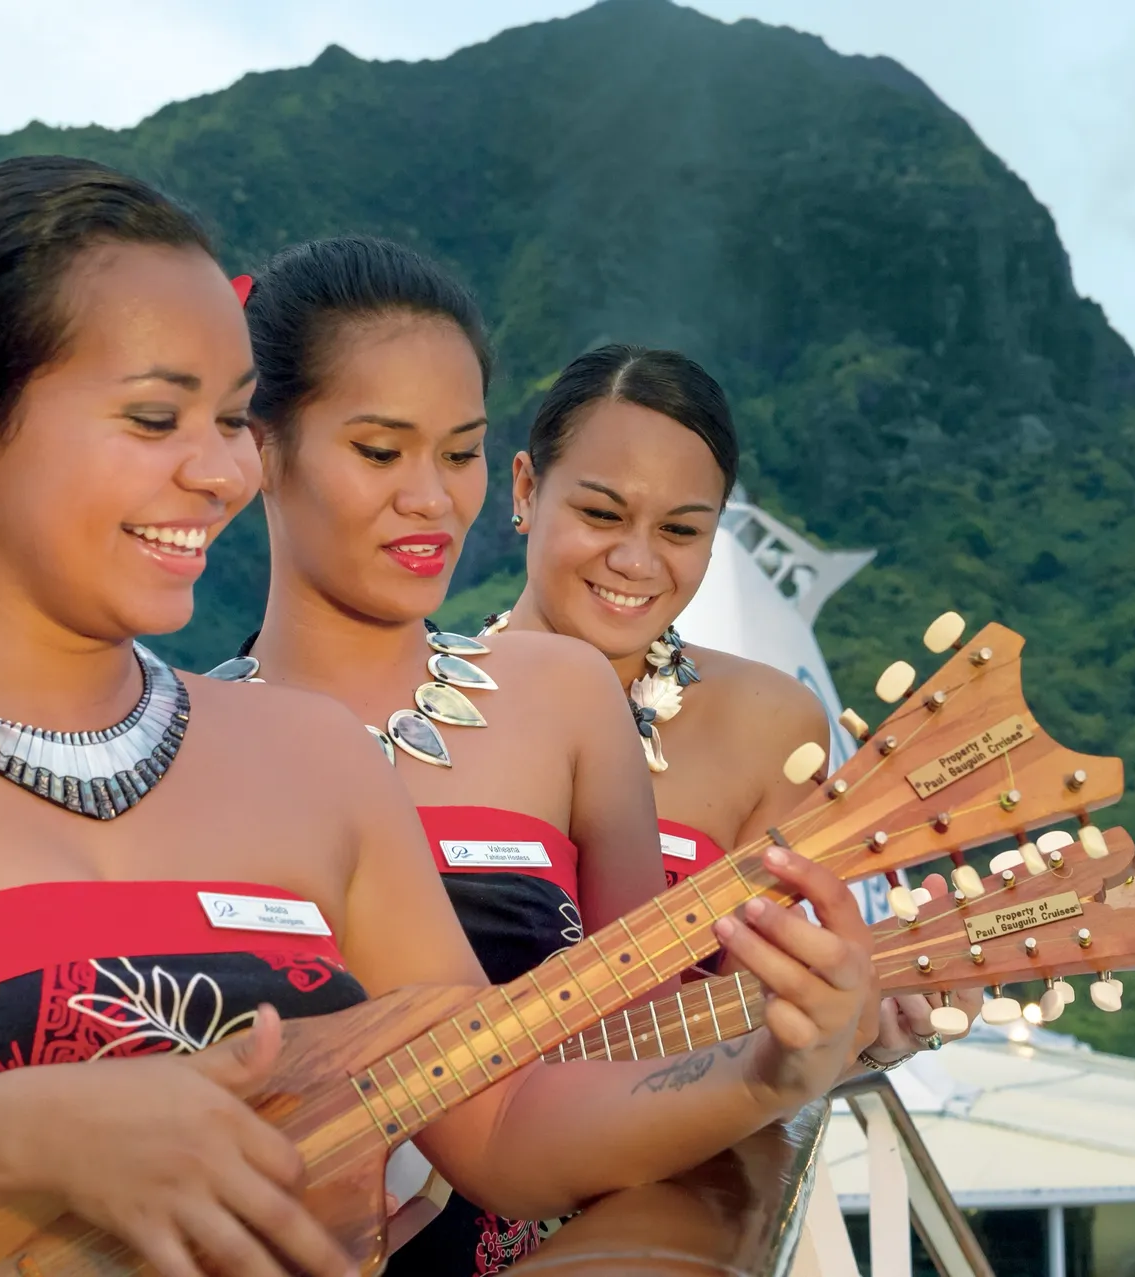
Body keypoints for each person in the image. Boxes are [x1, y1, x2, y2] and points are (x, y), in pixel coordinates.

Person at [0, 160, 878, 1277]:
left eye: (233, 419)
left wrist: (768, 1063)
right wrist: (16, 1136)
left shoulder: (307, 757)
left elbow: (505, 1122)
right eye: (156, 416)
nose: (220, 468)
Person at [224, 238, 861, 1273]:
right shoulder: (185, 733)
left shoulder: (565, 699)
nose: (431, 498)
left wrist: (789, 1053)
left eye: (457, 450)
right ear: (258, 447)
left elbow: (648, 1044)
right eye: (382, 452)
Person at [493, 344, 982, 1069]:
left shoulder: (768, 727)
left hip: (651, 1172)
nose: (635, 560)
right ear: (526, 490)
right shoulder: (410, 708)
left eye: (681, 530)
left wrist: (869, 1034)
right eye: (601, 513)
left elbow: (739, 1042)